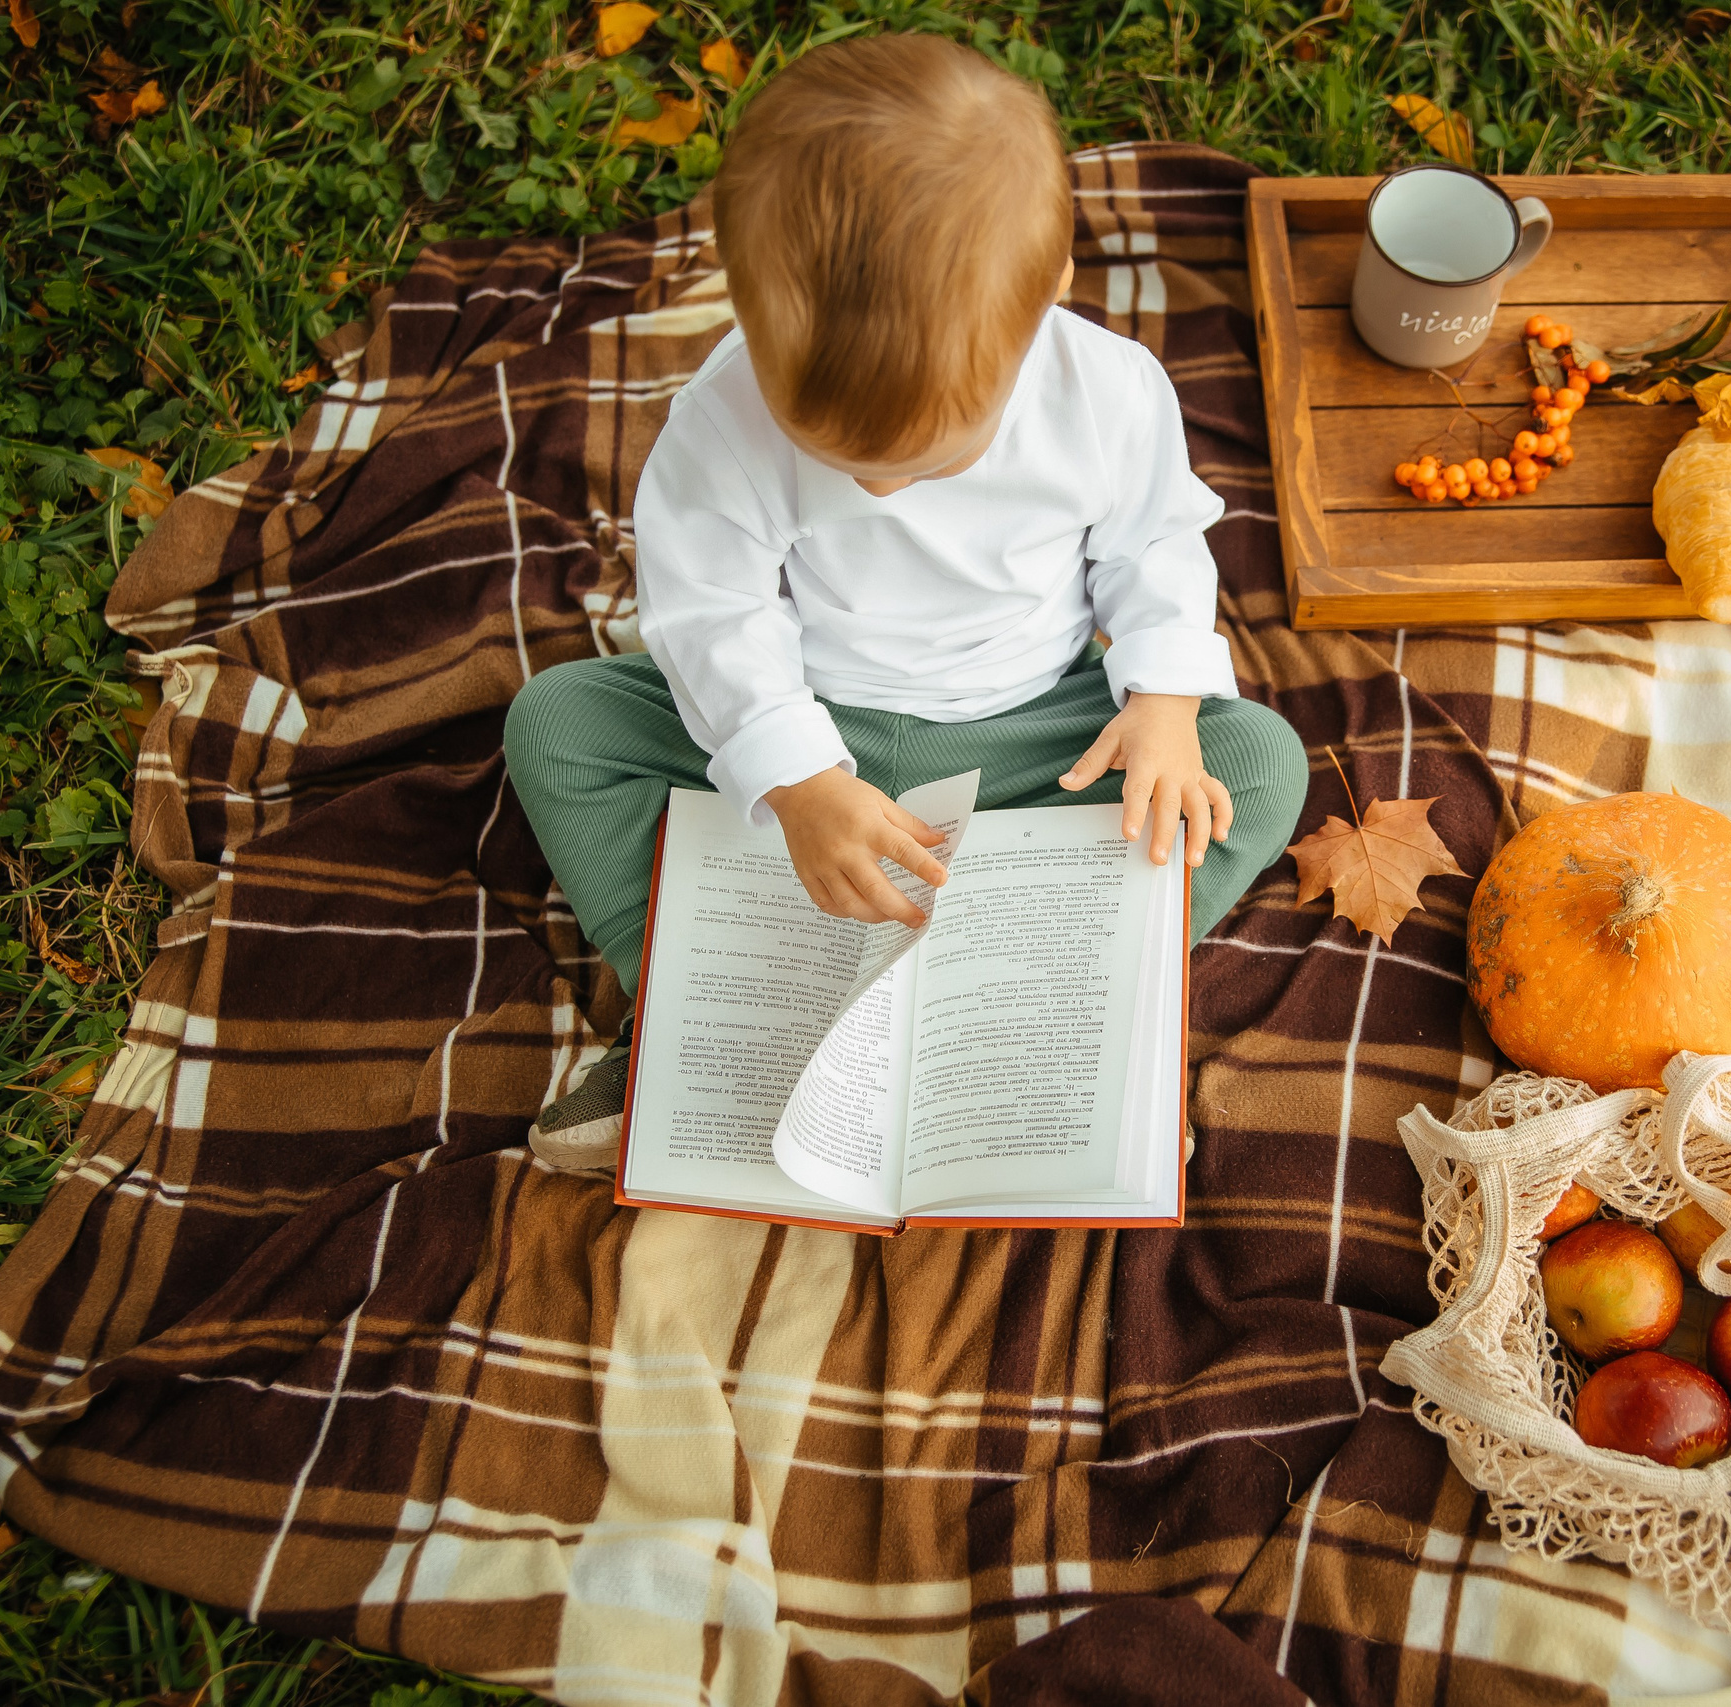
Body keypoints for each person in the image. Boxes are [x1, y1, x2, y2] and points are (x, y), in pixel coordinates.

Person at [503, 32, 1309, 1166]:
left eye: (926, 460)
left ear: (1048, 300)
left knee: (1258, 762)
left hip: (1039, 732)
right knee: (556, 724)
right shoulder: (724, 415)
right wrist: (797, 778)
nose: (878, 489)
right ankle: (684, 1011)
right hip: (816, 712)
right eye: (834, 456)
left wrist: (1165, 706)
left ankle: (1053, 998)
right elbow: (710, 611)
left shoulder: (1110, 393)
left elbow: (1156, 547)